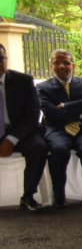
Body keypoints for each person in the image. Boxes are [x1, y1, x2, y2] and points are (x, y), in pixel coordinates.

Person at [37, 49, 82, 207]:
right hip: (57, 130)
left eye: (66, 63)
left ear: (73, 66)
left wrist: (64, 106)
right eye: (57, 63)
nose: (62, 66)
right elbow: (49, 112)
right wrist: (80, 111)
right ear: (51, 66)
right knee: (58, 149)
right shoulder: (42, 88)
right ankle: (59, 196)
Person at [0, 43, 46, 212]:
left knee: (39, 147)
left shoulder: (23, 81)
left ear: (6, 59)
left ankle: (28, 196)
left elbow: (33, 115)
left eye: (1, 58)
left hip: (20, 131)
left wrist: (12, 139)